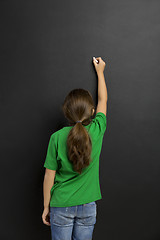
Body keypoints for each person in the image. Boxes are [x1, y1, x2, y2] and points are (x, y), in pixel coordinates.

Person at [42, 56, 108, 240]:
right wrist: (100, 72)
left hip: (61, 204)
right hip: (88, 206)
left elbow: (49, 175)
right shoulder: (96, 130)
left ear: (67, 112)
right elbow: (103, 100)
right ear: (92, 111)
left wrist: (46, 206)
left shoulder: (56, 137)